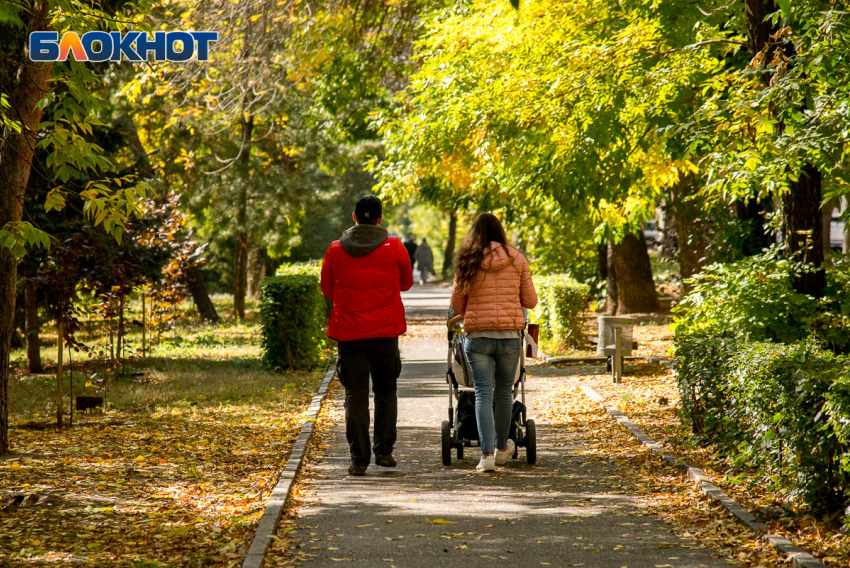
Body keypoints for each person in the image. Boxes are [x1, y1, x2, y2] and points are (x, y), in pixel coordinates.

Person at [320, 195, 414, 476]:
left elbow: (327, 288)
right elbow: (407, 283)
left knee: (355, 394)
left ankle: (358, 458)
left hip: (350, 335)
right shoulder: (395, 247)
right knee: (386, 391)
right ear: (380, 219)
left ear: (354, 217)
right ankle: (384, 451)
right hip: (385, 333)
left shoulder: (335, 249)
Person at [449, 213, 537, 473]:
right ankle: (501, 449)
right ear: (499, 232)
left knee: (482, 394)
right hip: (510, 337)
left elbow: (456, 304)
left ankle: (486, 456)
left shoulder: (467, 260)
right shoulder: (516, 258)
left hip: (477, 337)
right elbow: (530, 301)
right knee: (503, 393)